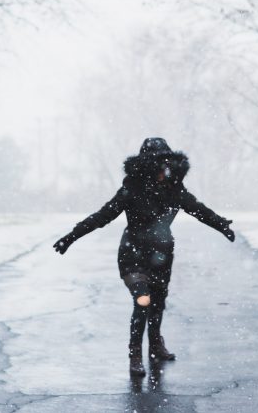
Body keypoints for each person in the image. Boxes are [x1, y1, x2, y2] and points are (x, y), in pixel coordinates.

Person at [53, 137, 235, 376]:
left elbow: (199, 210)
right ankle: (135, 354)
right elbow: (103, 216)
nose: (165, 168)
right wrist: (71, 236)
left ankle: (155, 345)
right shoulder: (132, 188)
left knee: (158, 302)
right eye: (160, 163)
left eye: (167, 163)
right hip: (133, 255)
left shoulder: (174, 189)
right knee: (143, 301)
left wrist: (221, 225)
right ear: (149, 164)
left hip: (161, 255)